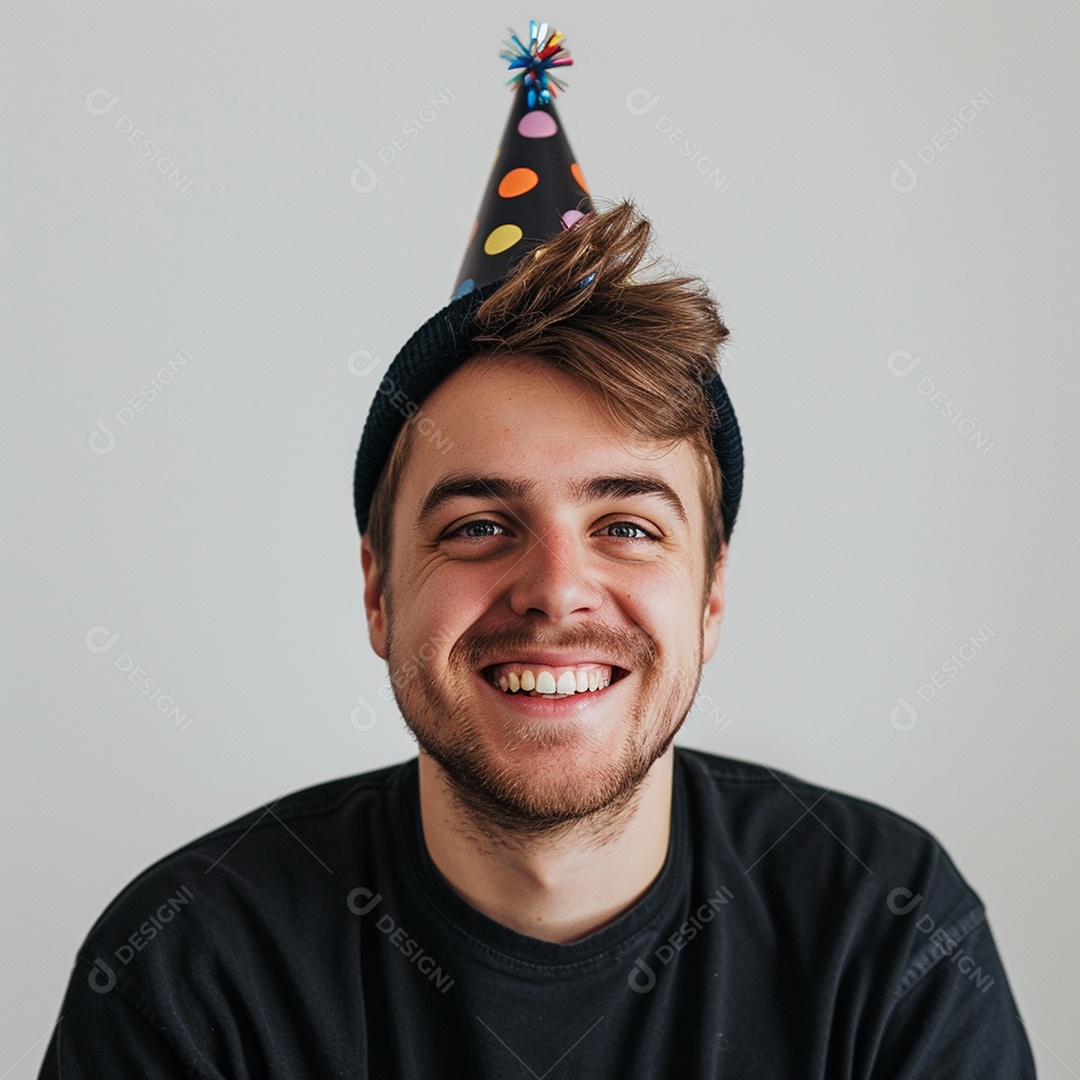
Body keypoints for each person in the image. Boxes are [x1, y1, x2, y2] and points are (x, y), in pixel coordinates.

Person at [38, 25, 1036, 1080]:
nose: (558, 590)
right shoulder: (191, 968)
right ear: (378, 592)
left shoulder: (888, 932)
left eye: (627, 526)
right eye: (478, 525)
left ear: (711, 596)